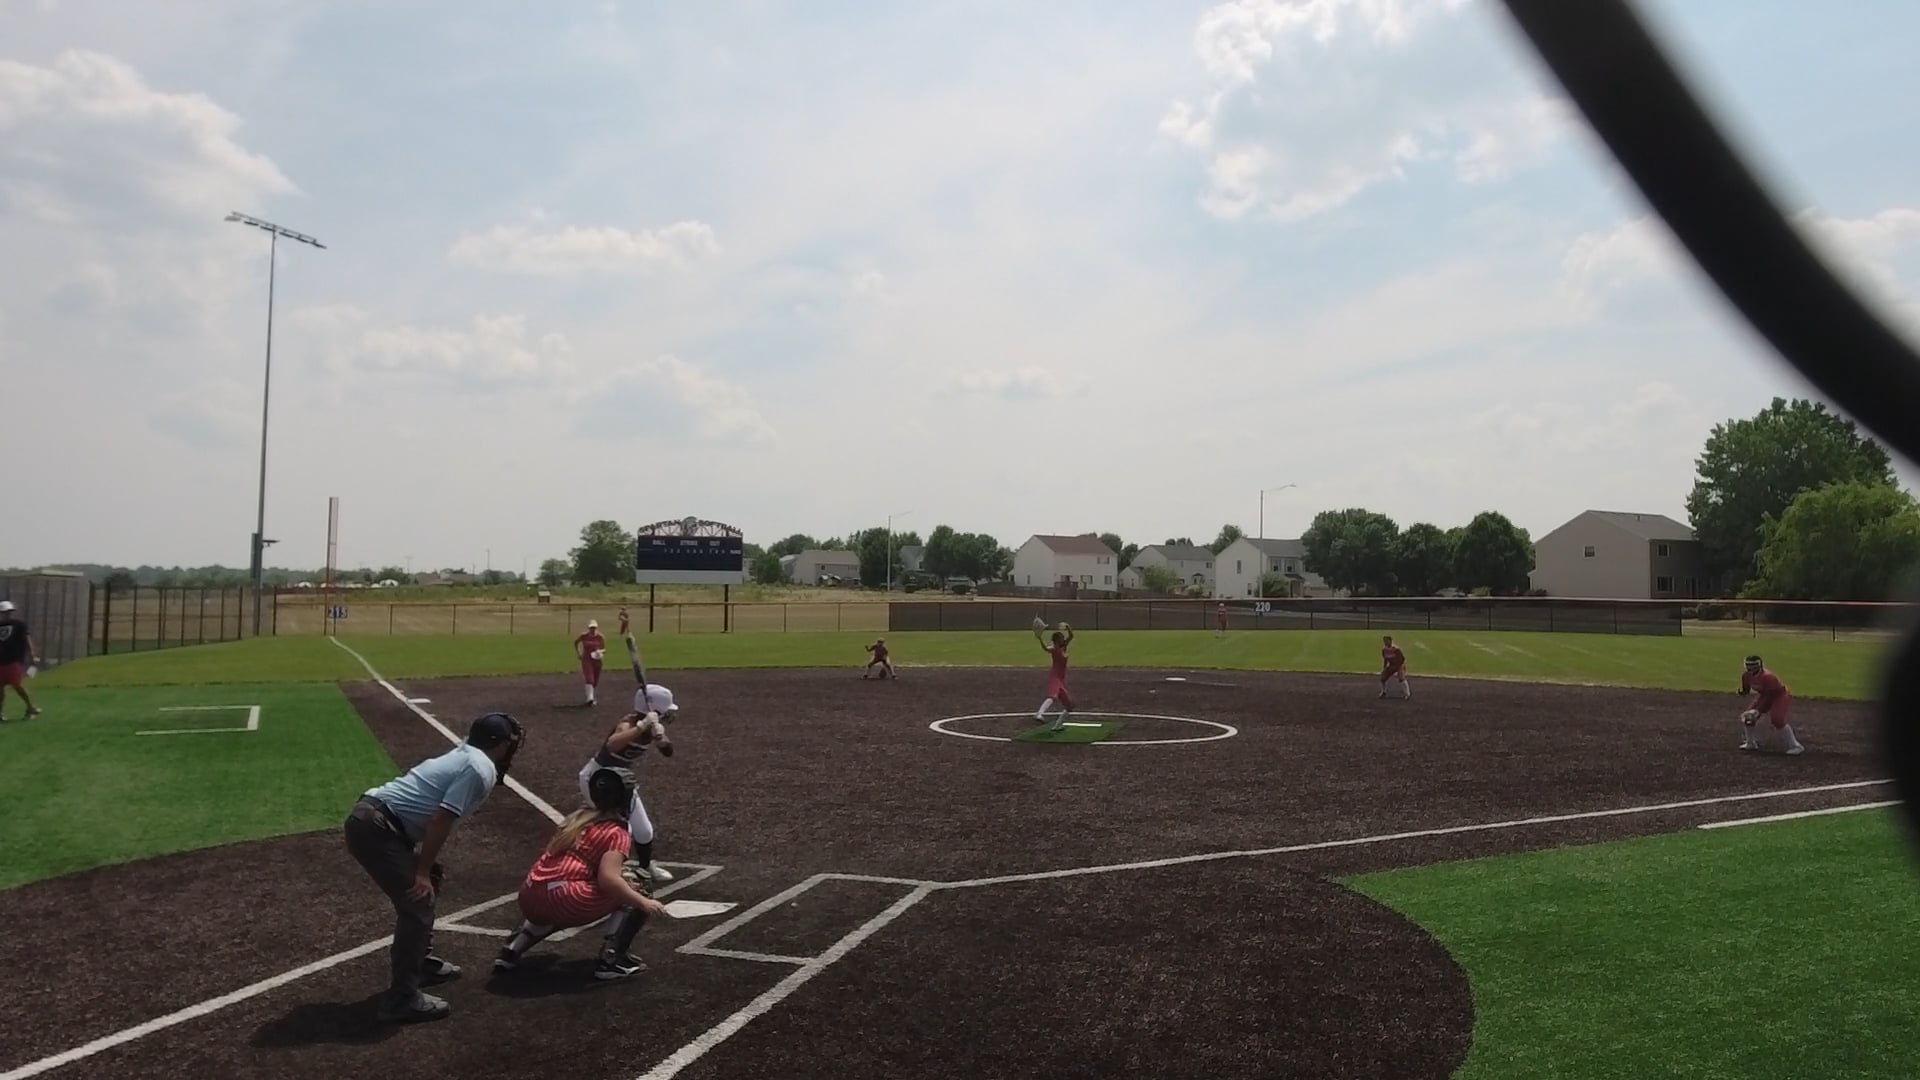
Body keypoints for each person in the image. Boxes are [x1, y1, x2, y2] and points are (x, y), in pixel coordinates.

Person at [344, 712, 524, 1023]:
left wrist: (427, 869)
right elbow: (440, 820)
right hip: (376, 829)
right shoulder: (479, 767)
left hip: (377, 821)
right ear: (499, 744)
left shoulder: (466, 752)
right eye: (510, 742)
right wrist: (421, 871)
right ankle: (401, 999)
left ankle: (421, 963)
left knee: (430, 881)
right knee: (417, 903)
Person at [493, 767, 671, 980]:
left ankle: (512, 949)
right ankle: (611, 960)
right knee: (637, 884)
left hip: (529, 896)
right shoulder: (617, 832)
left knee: (549, 891)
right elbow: (608, 879)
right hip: (565, 900)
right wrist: (643, 902)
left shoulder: (576, 819)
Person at [579, 687, 679, 885]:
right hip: (598, 780)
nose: (669, 714)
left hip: (622, 782)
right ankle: (600, 869)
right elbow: (612, 744)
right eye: (666, 710)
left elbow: (668, 752)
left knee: (644, 831)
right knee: (614, 827)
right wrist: (641, 727)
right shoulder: (629, 723)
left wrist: (661, 738)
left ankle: (645, 867)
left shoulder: (651, 726)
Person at [1741, 655, 1804, 754]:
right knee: (1748, 717)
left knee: (1777, 720)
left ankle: (1796, 746)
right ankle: (1750, 743)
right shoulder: (1746, 676)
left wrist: (1758, 710)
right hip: (1765, 695)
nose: (1749, 668)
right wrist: (1743, 693)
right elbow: (1746, 688)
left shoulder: (1768, 677)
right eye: (1748, 665)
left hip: (1779, 696)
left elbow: (1769, 696)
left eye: (1752, 665)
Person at [0, 600, 42, 721]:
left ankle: (31, 707)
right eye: (4, 612)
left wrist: (32, 654)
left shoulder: (19, 625)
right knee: (0, 689)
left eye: (9, 611)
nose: (7, 614)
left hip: (14, 660)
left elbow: (27, 639)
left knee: (17, 685)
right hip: (1, 661)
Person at [1034, 624, 1076, 732]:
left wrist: (1067, 626)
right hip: (1054, 677)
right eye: (1061, 638)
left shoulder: (1063, 646)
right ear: (1057, 640)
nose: (1063, 639)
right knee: (1053, 696)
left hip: (1060, 680)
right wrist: (1040, 639)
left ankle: (1057, 726)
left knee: (1069, 706)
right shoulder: (1054, 648)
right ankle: (1039, 714)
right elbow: (1045, 648)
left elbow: (1071, 636)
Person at [575, 619, 608, 706]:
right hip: (587, 659)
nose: (592, 629)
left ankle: (590, 696)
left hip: (597, 660)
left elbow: (604, 649)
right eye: (591, 628)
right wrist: (579, 653)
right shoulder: (584, 636)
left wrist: (599, 651)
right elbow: (576, 642)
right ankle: (590, 698)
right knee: (589, 678)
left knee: (595, 681)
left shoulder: (600, 637)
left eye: (594, 628)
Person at [1379, 635, 1410, 699]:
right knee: (1383, 678)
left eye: (1386, 641)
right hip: (1391, 665)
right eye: (1384, 641)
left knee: (1401, 678)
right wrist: (1384, 668)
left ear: (1390, 641)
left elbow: (1402, 659)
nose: (1385, 643)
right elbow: (1385, 659)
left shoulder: (1396, 649)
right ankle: (1383, 692)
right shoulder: (1384, 650)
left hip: (1399, 665)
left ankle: (1407, 694)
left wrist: (1399, 670)